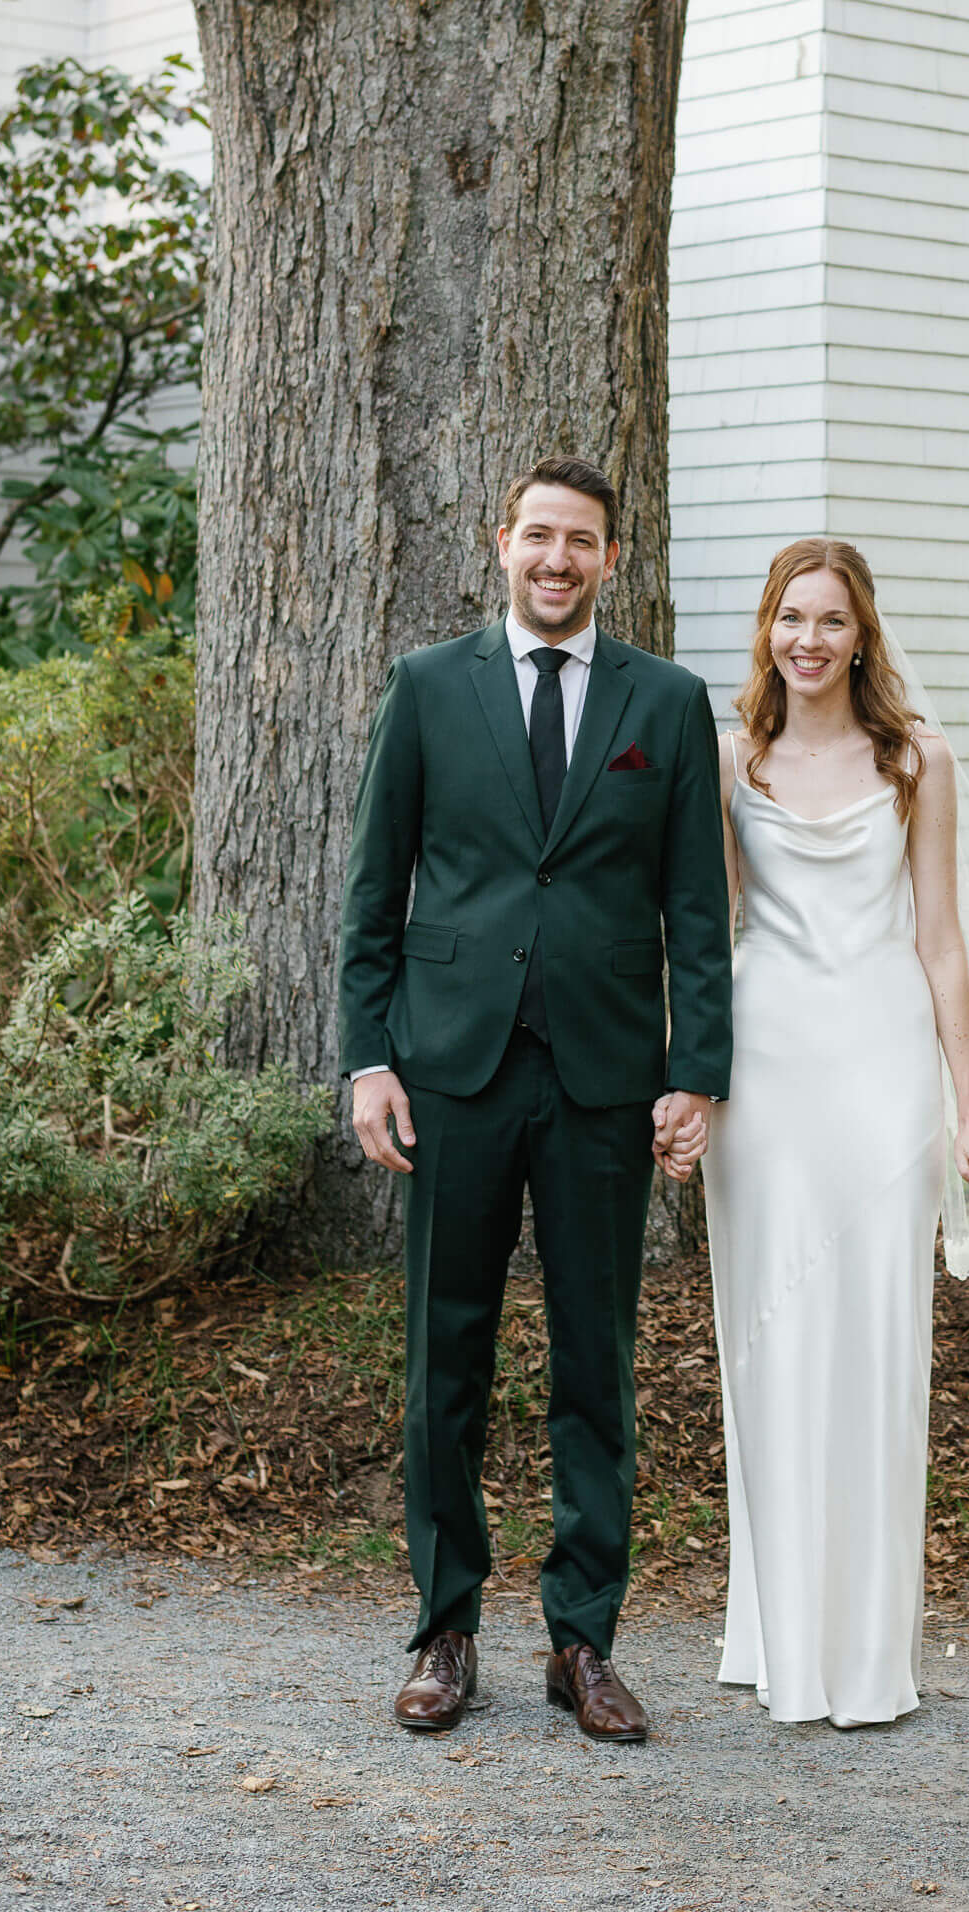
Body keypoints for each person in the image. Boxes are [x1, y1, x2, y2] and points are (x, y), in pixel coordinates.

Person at [338, 455, 730, 1743]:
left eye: (584, 543)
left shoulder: (664, 704)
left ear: (612, 559)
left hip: (603, 1080)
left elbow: (693, 911)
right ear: (501, 544)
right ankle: (446, 1629)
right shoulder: (426, 687)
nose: (558, 560)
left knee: (595, 1366)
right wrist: (368, 1058)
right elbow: (372, 893)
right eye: (538, 537)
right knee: (443, 1361)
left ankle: (583, 1641)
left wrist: (696, 1072)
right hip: (451, 1072)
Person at [694, 538, 969, 1727]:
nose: (806, 640)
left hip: (879, 1064)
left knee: (871, 1335)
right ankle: (773, 1633)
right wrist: (689, 1082)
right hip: (761, 1075)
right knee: (765, 1336)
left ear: (861, 635)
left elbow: (941, 944)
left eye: (829, 620)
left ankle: (864, 1654)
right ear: (766, 631)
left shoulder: (917, 760)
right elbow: (709, 936)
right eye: (787, 619)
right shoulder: (728, 761)